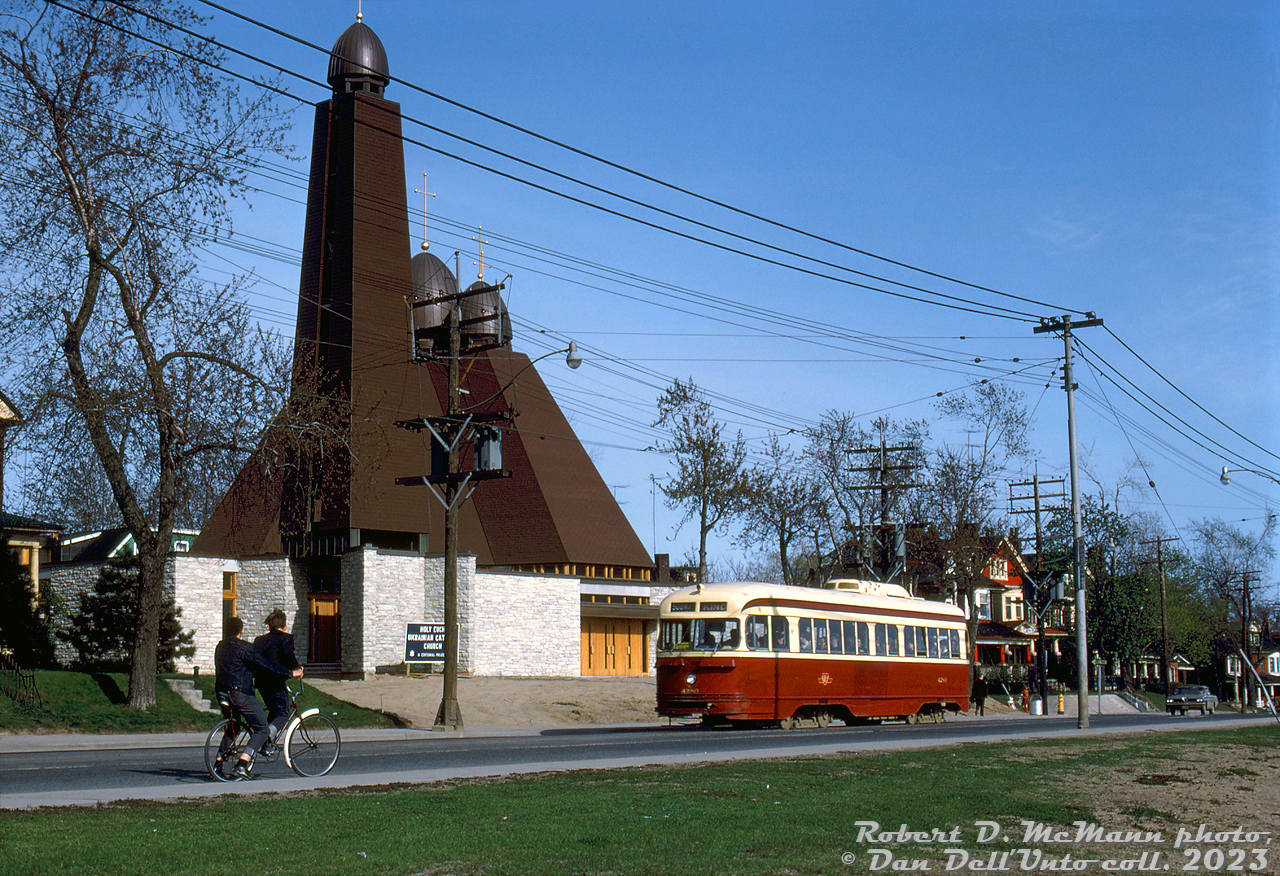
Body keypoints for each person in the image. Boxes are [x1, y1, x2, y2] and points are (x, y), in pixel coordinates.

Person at [214, 616, 301, 779]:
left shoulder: (220, 647)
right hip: (239, 693)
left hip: (221, 692)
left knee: (234, 727)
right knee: (262, 729)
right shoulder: (244, 647)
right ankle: (241, 765)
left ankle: (218, 763)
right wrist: (290, 672)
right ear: (241, 631)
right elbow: (266, 665)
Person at [254, 609, 302, 753]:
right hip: (275, 681)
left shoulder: (260, 640)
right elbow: (289, 657)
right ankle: (264, 739)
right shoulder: (285, 638)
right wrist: (298, 670)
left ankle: (265, 744)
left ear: (269, 625)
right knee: (283, 712)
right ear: (285, 626)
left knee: (274, 710)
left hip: (261, 682)